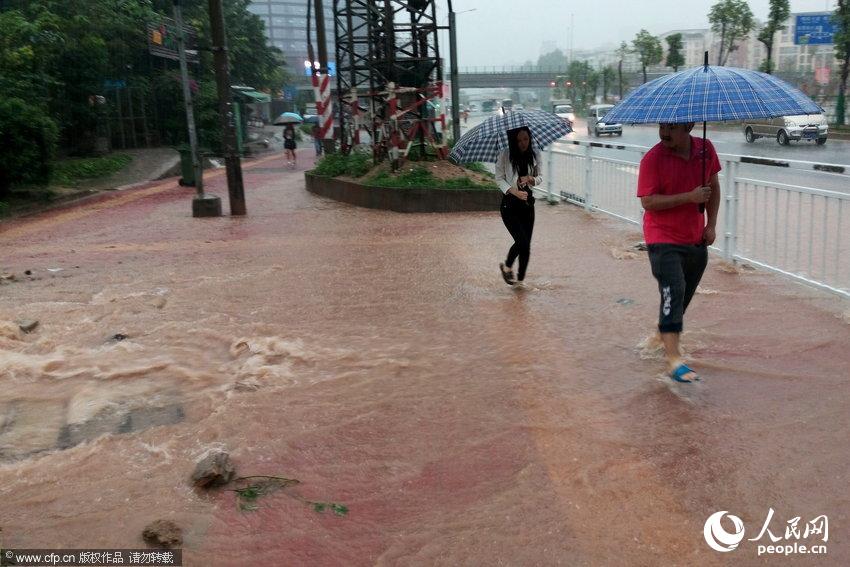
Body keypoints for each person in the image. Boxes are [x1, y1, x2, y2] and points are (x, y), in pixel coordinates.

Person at [637, 123, 721, 383]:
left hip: (695, 239)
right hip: (662, 238)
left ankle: (662, 334)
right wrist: (689, 197)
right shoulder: (652, 159)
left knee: (680, 297)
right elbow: (648, 202)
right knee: (673, 289)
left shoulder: (705, 150)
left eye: (672, 127)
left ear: (689, 126)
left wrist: (711, 224)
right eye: (662, 126)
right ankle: (674, 360)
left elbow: (714, 186)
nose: (664, 132)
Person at [496, 126, 542, 287]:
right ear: (513, 141)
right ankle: (507, 266)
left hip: (528, 205)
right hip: (509, 206)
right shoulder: (505, 154)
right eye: (519, 140)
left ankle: (520, 283)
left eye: (526, 139)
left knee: (526, 246)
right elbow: (499, 179)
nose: (523, 143)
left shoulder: (535, 154)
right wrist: (514, 192)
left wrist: (531, 179)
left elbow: (540, 177)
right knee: (521, 241)